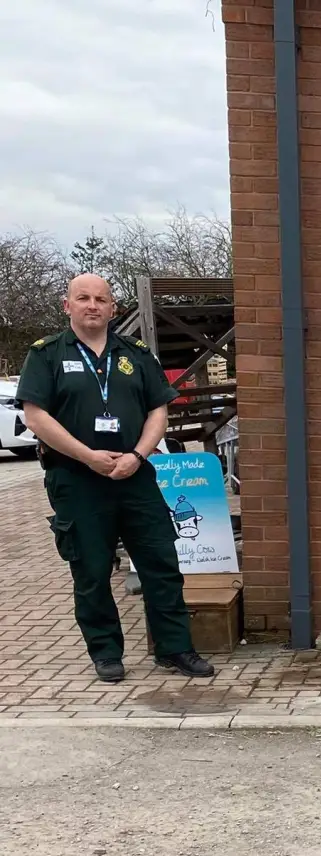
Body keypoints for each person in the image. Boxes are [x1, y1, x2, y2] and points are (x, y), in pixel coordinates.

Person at [15, 273, 215, 683]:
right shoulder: (47, 354)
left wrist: (138, 455)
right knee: (91, 569)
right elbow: (34, 414)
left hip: (135, 474)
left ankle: (174, 648)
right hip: (77, 477)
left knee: (161, 563)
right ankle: (106, 652)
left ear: (113, 308)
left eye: (101, 299)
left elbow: (159, 410)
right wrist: (88, 457)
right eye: (83, 298)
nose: (93, 305)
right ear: (67, 305)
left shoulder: (136, 354)